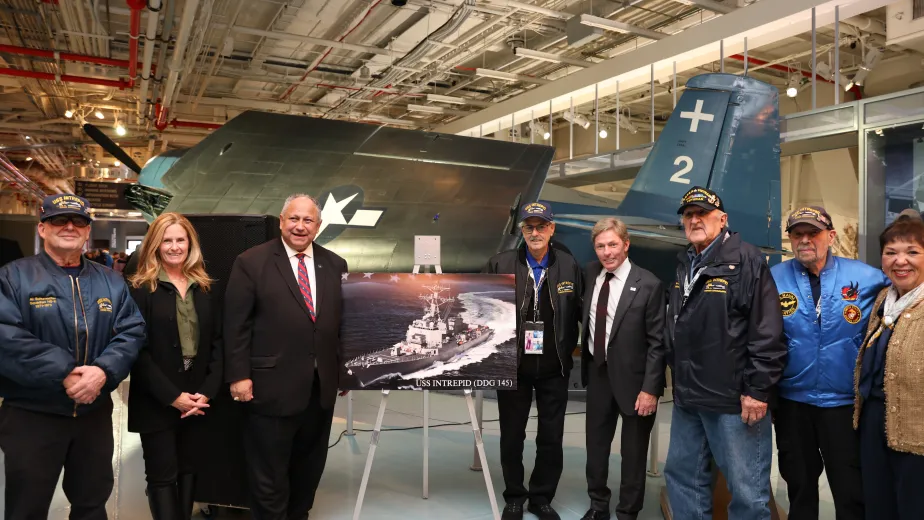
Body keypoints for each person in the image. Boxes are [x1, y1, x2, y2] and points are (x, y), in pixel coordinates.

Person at [0, 194, 145, 520]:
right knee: (26, 508)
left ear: (87, 231)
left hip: (92, 418)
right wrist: (65, 371)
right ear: (42, 228)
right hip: (32, 416)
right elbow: (6, 336)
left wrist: (102, 372)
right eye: (59, 220)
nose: (69, 226)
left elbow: (131, 331)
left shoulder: (110, 281)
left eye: (78, 221)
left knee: (92, 506)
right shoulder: (13, 277)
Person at [663, 186, 786, 520]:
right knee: (682, 478)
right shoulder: (685, 262)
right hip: (689, 397)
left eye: (702, 213)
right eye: (689, 215)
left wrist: (757, 390)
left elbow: (767, 330)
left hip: (733, 400)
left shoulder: (746, 259)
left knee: (747, 492)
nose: (695, 220)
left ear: (723, 219)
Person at [224, 194, 348, 520]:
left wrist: (343, 369)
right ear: (281, 221)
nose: (300, 226)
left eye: (308, 220)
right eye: (294, 218)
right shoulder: (251, 262)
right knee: (269, 475)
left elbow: (340, 324)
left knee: (308, 469)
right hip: (269, 388)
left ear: (318, 227)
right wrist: (238, 375)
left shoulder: (335, 265)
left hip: (319, 390)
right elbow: (235, 324)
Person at [770, 206, 888, 520]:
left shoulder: (867, 278)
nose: (805, 240)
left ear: (831, 236)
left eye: (813, 233)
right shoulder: (773, 279)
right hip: (793, 403)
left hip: (844, 405)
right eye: (798, 234)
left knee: (850, 491)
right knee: (799, 486)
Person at [482, 201, 583, 520]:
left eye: (542, 226)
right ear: (521, 230)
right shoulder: (499, 264)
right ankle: (514, 496)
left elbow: (581, 313)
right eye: (529, 227)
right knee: (512, 434)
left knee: (551, 437)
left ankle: (541, 497)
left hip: (556, 368)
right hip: (513, 367)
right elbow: (480, 310)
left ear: (552, 229)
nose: (535, 232)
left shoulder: (568, 265)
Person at [126, 212, 224, 520]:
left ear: (190, 243)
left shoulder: (206, 286)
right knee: (162, 474)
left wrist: (206, 391)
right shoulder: (141, 287)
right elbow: (136, 350)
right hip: (157, 397)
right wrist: (172, 397)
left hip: (198, 398)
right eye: (166, 240)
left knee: (191, 468)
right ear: (154, 245)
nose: (174, 247)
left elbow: (219, 343)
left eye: (180, 239)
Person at [580, 218, 665, 520]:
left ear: (626, 244)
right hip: (598, 374)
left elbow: (658, 343)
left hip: (636, 383)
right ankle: (597, 506)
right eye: (600, 246)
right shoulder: (590, 274)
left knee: (633, 455)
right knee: (596, 449)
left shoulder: (649, 284)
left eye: (613, 244)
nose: (607, 252)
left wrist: (651, 389)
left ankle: (628, 513)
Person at [853, 215, 924, 519]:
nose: (900, 261)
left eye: (912, 252)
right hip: (873, 420)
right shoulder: (884, 298)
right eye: (891, 252)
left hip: (916, 426)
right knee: (878, 505)